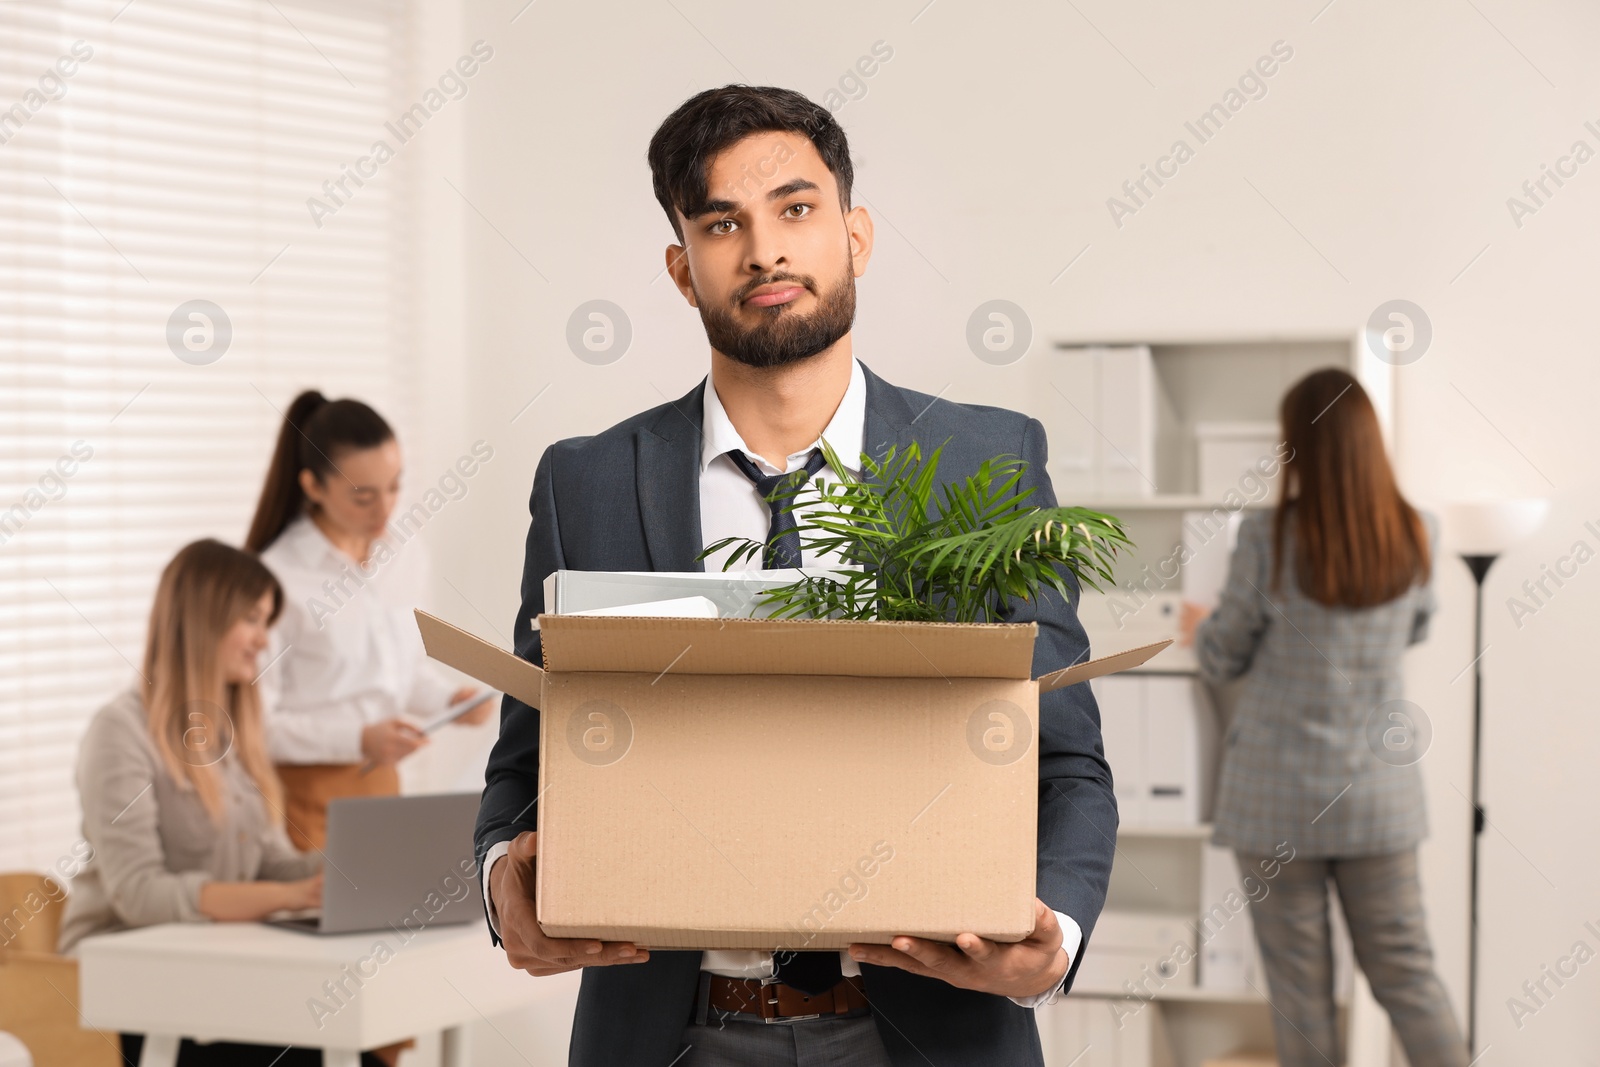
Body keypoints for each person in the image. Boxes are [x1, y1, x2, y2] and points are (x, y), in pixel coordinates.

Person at [475, 86, 1116, 1067]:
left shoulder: (985, 459)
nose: (765, 249)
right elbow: (529, 765)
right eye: (722, 222)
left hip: (931, 1029)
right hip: (670, 1032)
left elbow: (1062, 757)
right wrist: (501, 883)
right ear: (681, 268)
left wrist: (1055, 937)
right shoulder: (587, 481)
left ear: (855, 233)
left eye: (796, 209)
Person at [1183, 368, 1468, 1067]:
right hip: (1379, 797)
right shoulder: (1417, 529)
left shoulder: (1267, 534)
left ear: (1297, 445)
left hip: (1276, 800)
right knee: (1408, 975)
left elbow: (1224, 655)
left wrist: (1203, 626)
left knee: (1300, 996)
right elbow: (1416, 628)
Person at [55, 540, 383, 1067]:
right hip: (123, 987)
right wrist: (287, 895)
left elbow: (269, 863)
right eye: (252, 619)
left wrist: (343, 871)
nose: (263, 638)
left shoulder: (234, 736)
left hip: (211, 973)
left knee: (347, 1051)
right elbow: (139, 894)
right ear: (204, 619)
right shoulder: (120, 732)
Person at [244, 390, 492, 853]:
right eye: (362, 496)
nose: (385, 510)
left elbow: (402, 672)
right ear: (313, 487)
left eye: (395, 486)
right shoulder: (275, 578)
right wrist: (359, 739)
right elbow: (256, 728)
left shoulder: (406, 556)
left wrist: (448, 702)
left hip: (382, 789)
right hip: (301, 801)